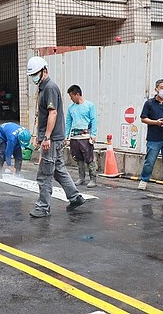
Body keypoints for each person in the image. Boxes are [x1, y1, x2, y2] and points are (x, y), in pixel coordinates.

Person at [26, 56, 86, 218]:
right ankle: (75, 197)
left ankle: (43, 207)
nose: (33, 77)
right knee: (58, 170)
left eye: (35, 74)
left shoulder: (50, 88)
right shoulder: (44, 87)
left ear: (44, 71)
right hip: (53, 138)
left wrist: (46, 137)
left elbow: (53, 113)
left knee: (44, 174)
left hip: (51, 139)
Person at [137, 79, 163, 192]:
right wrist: (156, 122)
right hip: (153, 138)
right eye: (162, 87)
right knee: (150, 161)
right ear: (156, 89)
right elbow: (143, 119)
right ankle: (144, 180)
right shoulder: (149, 103)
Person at [65, 85, 98, 188]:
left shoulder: (89, 106)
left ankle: (93, 179)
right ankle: (81, 177)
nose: (71, 99)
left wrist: (93, 134)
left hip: (85, 136)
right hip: (75, 136)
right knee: (78, 158)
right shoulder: (71, 108)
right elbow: (68, 123)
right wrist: (66, 137)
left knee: (89, 158)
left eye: (71, 96)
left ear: (77, 94)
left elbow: (94, 120)